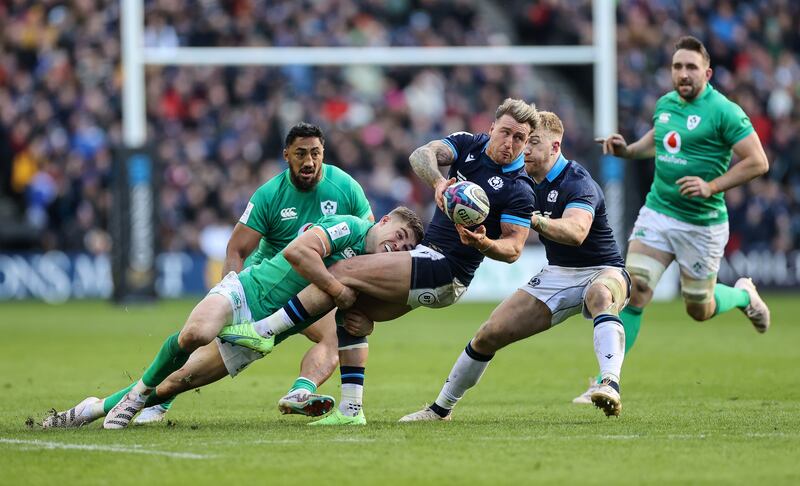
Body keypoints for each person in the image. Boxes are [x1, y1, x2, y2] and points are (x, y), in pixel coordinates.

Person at [219, 98, 539, 425]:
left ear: (527, 144)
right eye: (506, 133)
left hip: (445, 267)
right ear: (492, 128)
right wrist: (438, 182)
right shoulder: (469, 145)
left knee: (340, 272)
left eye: (520, 139)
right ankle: (351, 410)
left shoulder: (519, 189)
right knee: (350, 308)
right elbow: (421, 155)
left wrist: (484, 242)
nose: (510, 143)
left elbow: (513, 249)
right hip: (429, 261)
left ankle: (262, 330)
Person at [42, 207, 421, 429]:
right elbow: (298, 253)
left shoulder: (372, 268)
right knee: (194, 334)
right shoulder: (351, 226)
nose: (398, 246)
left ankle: (89, 409)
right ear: (384, 220)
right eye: (399, 235)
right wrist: (339, 291)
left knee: (176, 382)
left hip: (260, 335)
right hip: (246, 291)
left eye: (406, 248)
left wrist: (366, 320)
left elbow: (361, 319)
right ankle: (137, 395)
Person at [133, 122, 374, 424]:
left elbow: (368, 235)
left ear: (323, 152)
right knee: (190, 373)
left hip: (311, 290)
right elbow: (236, 250)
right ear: (286, 155)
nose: (309, 161)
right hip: (265, 293)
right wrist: (229, 300)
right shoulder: (270, 194)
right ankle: (151, 399)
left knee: (333, 339)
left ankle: (301, 391)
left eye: (315, 153)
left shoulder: (345, 187)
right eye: (301, 154)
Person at [574, 35, 771, 403]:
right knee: (635, 291)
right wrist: (628, 150)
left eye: (691, 67)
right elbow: (660, 138)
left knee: (699, 308)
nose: (683, 73)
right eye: (677, 66)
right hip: (659, 213)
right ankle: (607, 380)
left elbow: (758, 161)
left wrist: (712, 185)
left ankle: (743, 295)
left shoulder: (725, 111)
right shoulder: (665, 104)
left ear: (707, 73)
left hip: (702, 223)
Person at [398, 111, 630, 421]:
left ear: (555, 146)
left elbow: (576, 232)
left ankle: (610, 383)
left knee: (600, 295)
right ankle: (440, 410)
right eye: (524, 142)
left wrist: (532, 219)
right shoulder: (522, 183)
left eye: (534, 142)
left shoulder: (577, 181)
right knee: (488, 334)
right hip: (556, 274)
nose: (526, 150)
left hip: (604, 270)